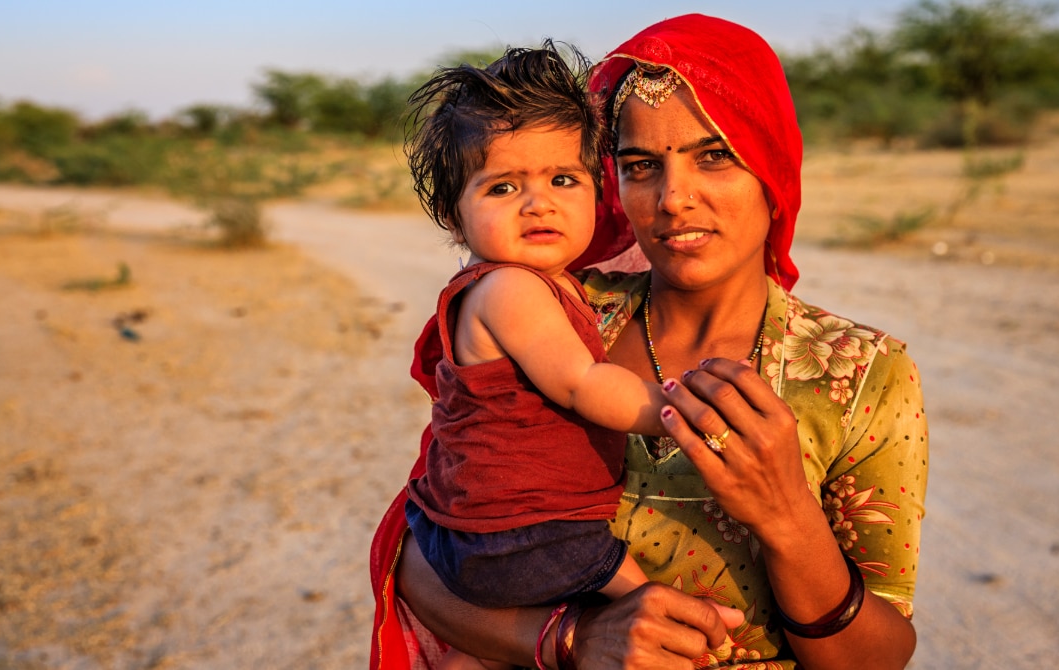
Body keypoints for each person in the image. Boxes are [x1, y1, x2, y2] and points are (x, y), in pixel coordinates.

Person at [372, 14, 928, 670]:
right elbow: (425, 551)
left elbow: (879, 659)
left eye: (715, 156)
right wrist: (569, 640)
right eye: (640, 165)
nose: (673, 198)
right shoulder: (560, 316)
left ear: (772, 167)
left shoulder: (860, 371)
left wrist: (788, 520)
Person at [399, 43, 694, 668]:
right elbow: (581, 384)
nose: (539, 203)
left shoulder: (556, 283)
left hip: (477, 531)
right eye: (503, 187)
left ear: (597, 192)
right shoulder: (510, 288)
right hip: (518, 534)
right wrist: (677, 412)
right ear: (455, 219)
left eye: (563, 179)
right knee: (637, 593)